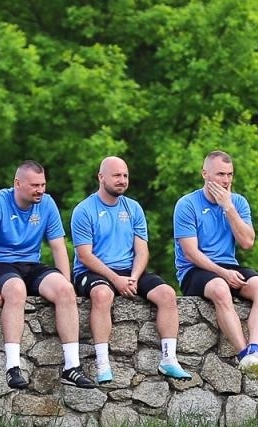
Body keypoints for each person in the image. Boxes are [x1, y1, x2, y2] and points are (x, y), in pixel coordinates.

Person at [0, 160, 93, 390]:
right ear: (17, 183)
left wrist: (67, 283)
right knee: (17, 290)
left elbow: (58, 247)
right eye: (35, 185)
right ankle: (13, 367)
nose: (40, 190)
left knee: (65, 290)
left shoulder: (47, 204)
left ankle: (72, 366)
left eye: (43, 184)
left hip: (30, 264)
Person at [70, 156, 193, 383]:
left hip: (129, 270)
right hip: (93, 271)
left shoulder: (134, 208)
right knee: (102, 294)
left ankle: (169, 359)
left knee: (167, 294)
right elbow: (85, 255)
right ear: (101, 177)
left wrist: (134, 278)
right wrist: (116, 279)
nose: (122, 180)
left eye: (125, 175)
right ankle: (102, 364)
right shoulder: (84, 210)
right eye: (117, 175)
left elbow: (142, 251)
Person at [172, 151, 258, 378]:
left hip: (228, 265)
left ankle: (254, 352)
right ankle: (243, 354)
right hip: (194, 270)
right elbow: (190, 252)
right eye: (220, 174)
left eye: (230, 174)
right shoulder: (187, 204)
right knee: (220, 288)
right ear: (205, 174)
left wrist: (228, 208)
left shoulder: (237, 202)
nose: (226, 180)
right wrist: (223, 273)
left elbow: (247, 242)